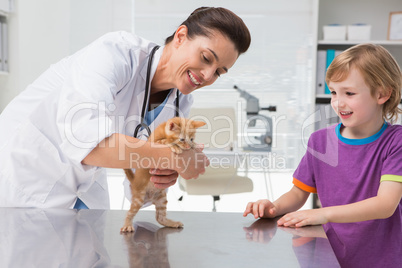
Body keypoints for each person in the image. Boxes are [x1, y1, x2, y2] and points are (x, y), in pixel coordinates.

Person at [0, 7, 251, 209]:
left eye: (219, 72)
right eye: (206, 58)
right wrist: (171, 157)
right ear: (181, 36)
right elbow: (86, 143)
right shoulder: (116, 53)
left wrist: (161, 177)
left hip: (84, 190)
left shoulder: (179, 103)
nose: (207, 75)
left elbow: (138, 189)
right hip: (25, 174)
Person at [243, 44, 402, 267]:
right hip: (330, 256)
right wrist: (274, 208)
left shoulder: (396, 142)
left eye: (349, 93)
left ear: (383, 93)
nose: (338, 102)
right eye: (333, 92)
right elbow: (298, 193)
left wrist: (323, 214)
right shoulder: (320, 141)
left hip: (381, 259)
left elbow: (386, 205)